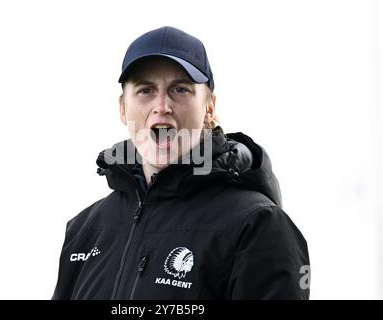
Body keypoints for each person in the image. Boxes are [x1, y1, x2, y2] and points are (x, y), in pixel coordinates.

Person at [52, 26, 310, 300]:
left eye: (180, 89)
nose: (162, 105)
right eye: (145, 90)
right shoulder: (85, 229)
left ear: (209, 108)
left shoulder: (256, 224)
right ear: (122, 108)